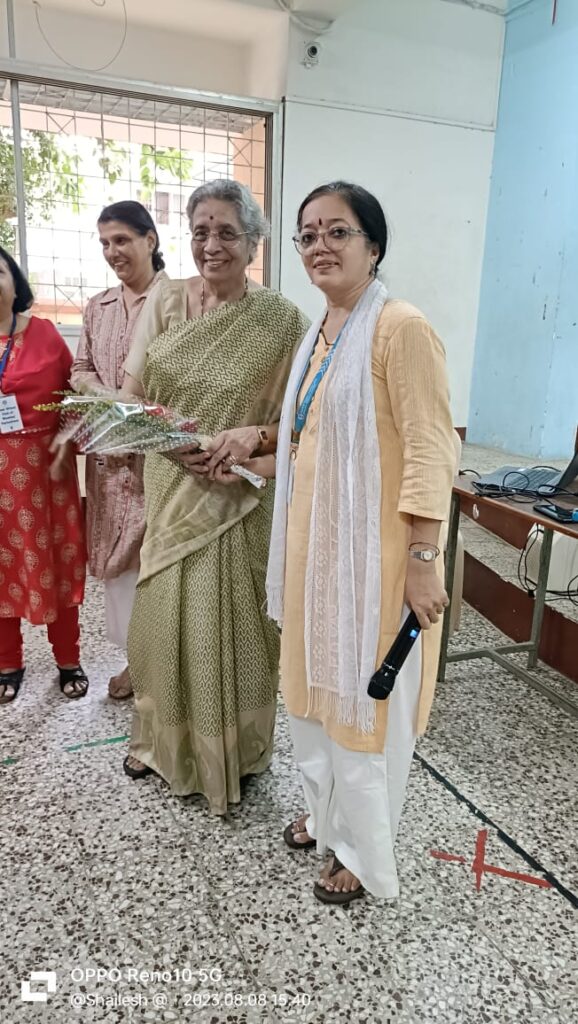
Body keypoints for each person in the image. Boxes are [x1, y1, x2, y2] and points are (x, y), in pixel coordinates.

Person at [263, 182, 456, 904]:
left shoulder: (399, 327)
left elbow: (431, 450)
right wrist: (252, 450)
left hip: (377, 562)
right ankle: (326, 817)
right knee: (314, 693)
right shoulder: (323, 330)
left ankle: (363, 852)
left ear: (373, 246)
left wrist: (423, 560)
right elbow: (314, 439)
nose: (320, 246)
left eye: (337, 231)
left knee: (364, 704)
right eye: (308, 234)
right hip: (316, 557)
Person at [121, 179, 309, 814]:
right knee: (163, 618)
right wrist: (173, 446)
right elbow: (129, 399)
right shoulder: (166, 301)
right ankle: (161, 743)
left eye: (227, 232)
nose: (211, 245)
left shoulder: (282, 322)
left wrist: (252, 446)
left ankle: (236, 752)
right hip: (172, 484)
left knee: (234, 626)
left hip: (239, 499)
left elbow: (303, 422)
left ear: (254, 243)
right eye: (200, 231)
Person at [70, 201, 167, 700]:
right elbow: (80, 368)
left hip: (161, 459)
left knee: (158, 564)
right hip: (109, 459)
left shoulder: (178, 301)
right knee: (119, 569)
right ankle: (135, 659)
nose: (113, 252)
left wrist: (139, 410)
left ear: (150, 240)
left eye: (122, 240)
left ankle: (163, 666)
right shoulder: (99, 306)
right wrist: (107, 397)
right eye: (105, 243)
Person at [0, 248, 88, 704]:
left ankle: (68, 659)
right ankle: (7, 663)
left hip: (46, 471)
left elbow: (74, 399)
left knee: (59, 562)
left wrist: (66, 443)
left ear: (15, 282)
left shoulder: (46, 334)